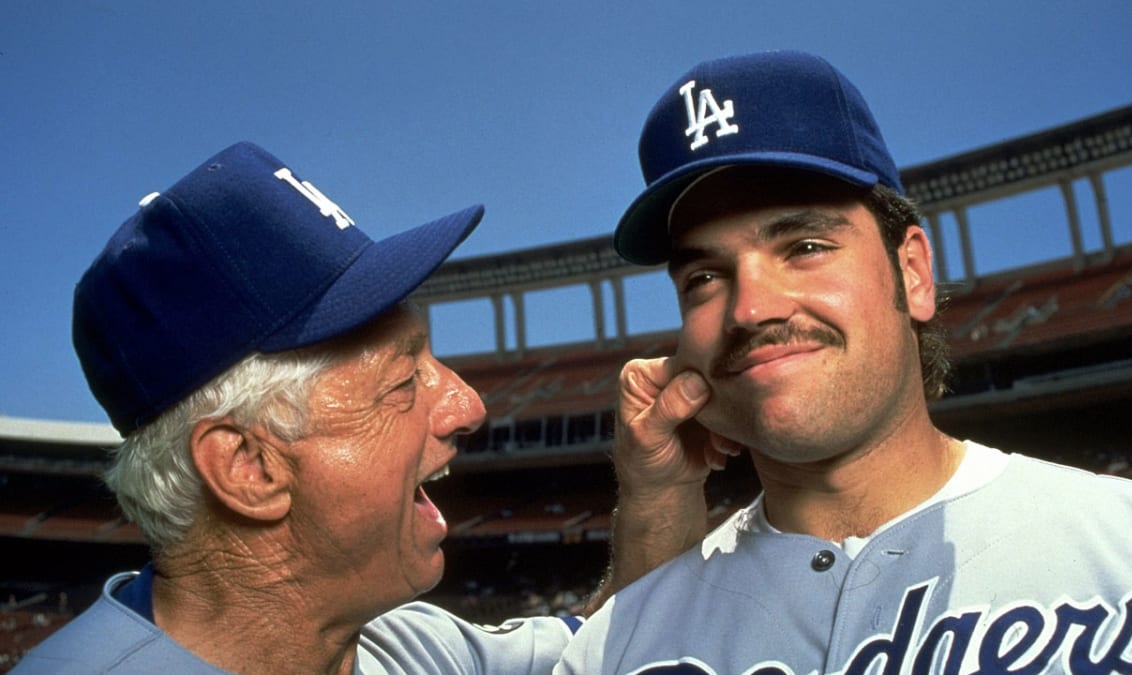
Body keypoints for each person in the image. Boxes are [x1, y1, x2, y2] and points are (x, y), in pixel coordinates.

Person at [556, 50, 1132, 674]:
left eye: (805, 245)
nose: (749, 309)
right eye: (703, 278)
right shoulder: (615, 643)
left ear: (913, 272)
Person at [14, 142, 702, 674]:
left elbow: (618, 645)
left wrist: (658, 487)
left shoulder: (409, 644)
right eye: (403, 383)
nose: (467, 404)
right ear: (249, 466)